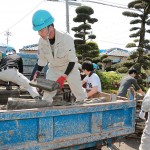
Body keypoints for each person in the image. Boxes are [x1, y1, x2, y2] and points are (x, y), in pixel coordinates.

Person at [32, 9, 87, 103]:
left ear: (50, 27)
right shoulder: (41, 41)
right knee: (47, 95)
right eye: (38, 30)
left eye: (41, 30)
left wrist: (63, 77)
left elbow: (72, 60)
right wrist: (37, 72)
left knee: (79, 94)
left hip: (70, 67)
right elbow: (42, 60)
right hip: (54, 69)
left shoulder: (66, 38)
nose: (39, 33)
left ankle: (84, 105)